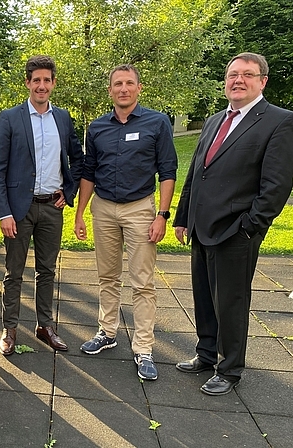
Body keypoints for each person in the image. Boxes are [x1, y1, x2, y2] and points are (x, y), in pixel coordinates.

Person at [173, 52, 293, 395]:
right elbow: (197, 173)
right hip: (201, 227)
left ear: (262, 81)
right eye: (232, 75)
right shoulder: (216, 120)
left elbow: (276, 187)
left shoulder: (279, 121)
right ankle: (205, 353)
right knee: (203, 296)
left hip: (235, 232)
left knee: (230, 302)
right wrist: (183, 217)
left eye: (247, 74)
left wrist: (249, 226)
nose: (238, 80)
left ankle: (229, 369)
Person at [74, 64, 177, 381]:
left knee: (142, 282)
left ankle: (143, 348)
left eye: (129, 83)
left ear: (138, 88)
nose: (123, 88)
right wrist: (80, 213)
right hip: (104, 208)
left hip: (140, 210)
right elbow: (89, 172)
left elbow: (168, 171)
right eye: (117, 83)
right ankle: (107, 332)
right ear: (110, 90)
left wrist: (162, 215)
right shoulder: (97, 127)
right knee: (107, 276)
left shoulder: (157, 123)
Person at [0, 55, 83, 356]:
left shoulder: (63, 118)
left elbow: (78, 159)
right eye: (36, 80)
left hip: (51, 208)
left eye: (47, 80)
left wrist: (68, 193)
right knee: (13, 272)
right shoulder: (10, 118)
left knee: (47, 271)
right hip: (18, 209)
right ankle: (10, 329)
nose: (41, 85)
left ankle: (45, 326)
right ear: (28, 83)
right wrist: (3, 211)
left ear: (53, 83)